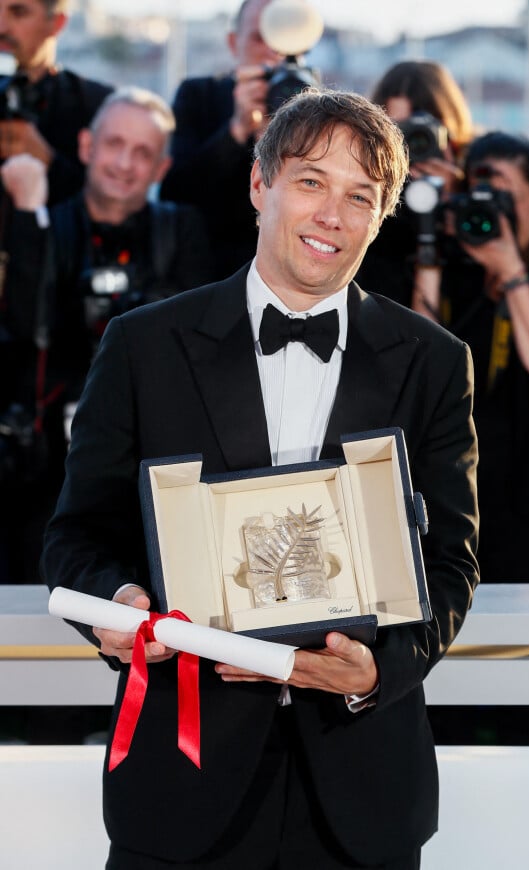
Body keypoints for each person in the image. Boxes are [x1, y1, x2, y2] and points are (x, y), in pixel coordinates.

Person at [42, 88, 479, 869]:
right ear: (258, 184)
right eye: (311, 181)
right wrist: (119, 606)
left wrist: (380, 669)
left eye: (360, 196)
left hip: (363, 784)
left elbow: (451, 561)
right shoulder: (144, 345)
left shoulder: (436, 360)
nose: (331, 215)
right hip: (182, 775)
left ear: (381, 217)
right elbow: (77, 535)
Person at [0, 86, 213, 584]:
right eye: (114, 143)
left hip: (149, 463)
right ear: (84, 147)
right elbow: (28, 326)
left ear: (162, 169)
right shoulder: (44, 223)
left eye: (143, 153)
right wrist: (30, 212)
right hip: (46, 468)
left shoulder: (179, 230)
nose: (124, 163)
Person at [412, 130, 529, 582]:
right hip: (464, 506)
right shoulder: (460, 266)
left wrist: (510, 271)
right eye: (483, 200)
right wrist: (430, 251)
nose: (494, 216)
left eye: (506, 198)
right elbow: (418, 363)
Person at [159, 0, 285, 278]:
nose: (272, 52)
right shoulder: (198, 96)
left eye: (283, 37)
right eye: (259, 38)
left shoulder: (319, 111)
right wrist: (236, 130)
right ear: (233, 42)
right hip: (208, 274)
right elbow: (176, 192)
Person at [356, 60, 475, 307]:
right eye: (399, 131)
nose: (410, 147)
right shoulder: (367, 192)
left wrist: (452, 202)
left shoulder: (475, 178)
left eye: (424, 134)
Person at [0, 0, 112, 206]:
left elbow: (112, 204)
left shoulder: (98, 106)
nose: (1, 26)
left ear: (57, 23)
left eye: (18, 13)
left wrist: (48, 161)